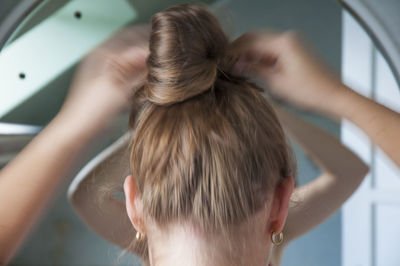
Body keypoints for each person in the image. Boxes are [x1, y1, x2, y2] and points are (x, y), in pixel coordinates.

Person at [0, 3, 397, 265]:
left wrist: (156, 117)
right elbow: (349, 171)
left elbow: (84, 193)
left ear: (134, 202)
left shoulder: (139, 234)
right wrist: (321, 99)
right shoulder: (279, 230)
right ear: (280, 204)